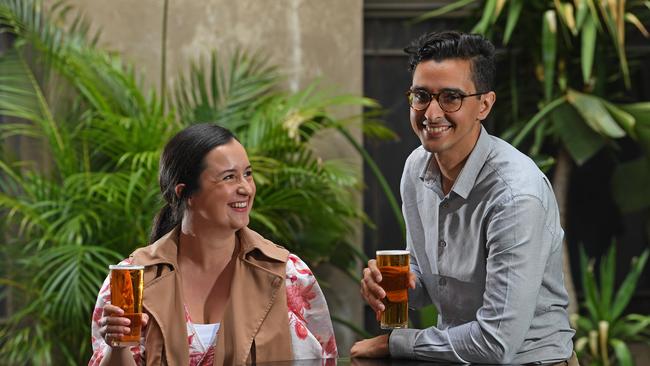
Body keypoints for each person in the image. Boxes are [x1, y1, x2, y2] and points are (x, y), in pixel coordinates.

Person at [351, 31, 576, 364]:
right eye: (421, 95)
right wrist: (392, 286)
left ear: (483, 104)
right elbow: (429, 283)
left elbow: (496, 343)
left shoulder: (515, 195)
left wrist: (394, 344)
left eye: (451, 97)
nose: (431, 113)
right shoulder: (417, 168)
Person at [89, 123, 337, 365]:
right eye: (229, 177)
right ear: (185, 194)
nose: (246, 188)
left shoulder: (289, 274)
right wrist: (117, 347)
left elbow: (327, 359)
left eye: (248, 174)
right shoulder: (132, 280)